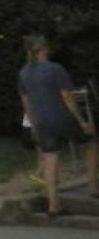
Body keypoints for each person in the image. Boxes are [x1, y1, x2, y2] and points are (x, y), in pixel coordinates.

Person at [19, 34, 97, 219]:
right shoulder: (55, 69)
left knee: (50, 159)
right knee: (91, 141)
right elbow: (67, 97)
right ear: (44, 50)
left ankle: (54, 205)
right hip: (62, 118)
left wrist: (34, 124)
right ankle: (93, 186)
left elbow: (26, 102)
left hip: (41, 122)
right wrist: (81, 121)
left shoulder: (23, 74)